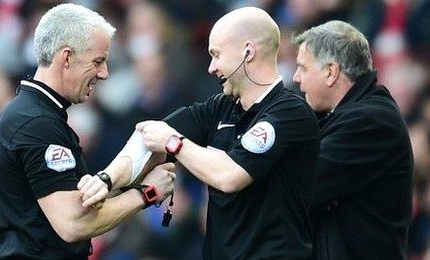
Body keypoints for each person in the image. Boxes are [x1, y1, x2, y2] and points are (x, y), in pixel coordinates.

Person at [0, 4, 175, 259]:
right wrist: (147, 193)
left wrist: (130, 178)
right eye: (97, 61)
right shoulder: (36, 123)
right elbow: (73, 223)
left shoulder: (37, 113)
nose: (104, 73)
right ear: (66, 58)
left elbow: (80, 205)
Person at [135, 7, 320, 259]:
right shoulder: (219, 107)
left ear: (247, 51)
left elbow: (229, 176)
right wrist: (105, 181)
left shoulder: (290, 111)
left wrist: (173, 143)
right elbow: (147, 135)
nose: (211, 67)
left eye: (216, 55)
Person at [292, 20, 413, 259]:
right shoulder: (343, 115)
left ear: (331, 72)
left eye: (303, 68)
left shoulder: (372, 121)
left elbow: (300, 188)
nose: (296, 78)